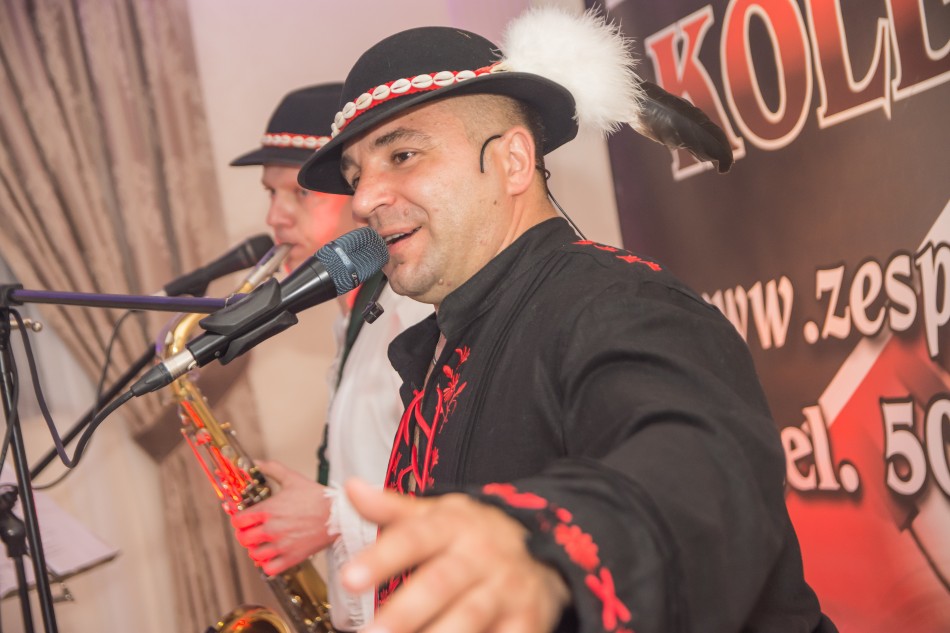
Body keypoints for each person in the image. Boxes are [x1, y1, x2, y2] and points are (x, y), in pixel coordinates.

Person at [294, 8, 836, 633]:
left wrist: (550, 548)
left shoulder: (616, 302)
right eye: (357, 177)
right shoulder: (451, 339)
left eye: (403, 154)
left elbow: (704, 469)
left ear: (513, 161)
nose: (364, 199)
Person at [228, 83, 432, 631]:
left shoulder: (416, 314)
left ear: (361, 193)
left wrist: (332, 518)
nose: (275, 218)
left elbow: (465, 501)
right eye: (270, 194)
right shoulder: (356, 316)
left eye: (299, 194)